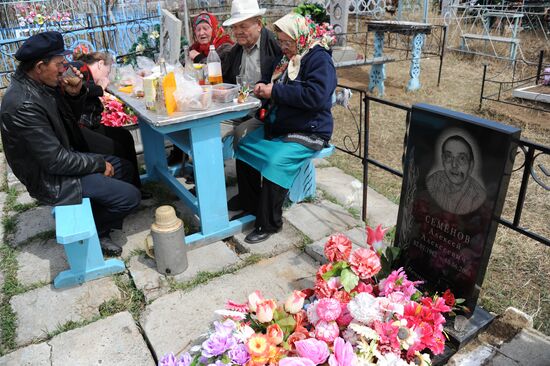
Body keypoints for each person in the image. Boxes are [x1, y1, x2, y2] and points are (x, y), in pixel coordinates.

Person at [0, 32, 140, 256]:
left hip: (62, 160)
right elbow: (54, 161)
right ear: (39, 66)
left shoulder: (42, 85)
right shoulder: (23, 104)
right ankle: (97, 229)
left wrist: (75, 95)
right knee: (130, 197)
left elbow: (68, 126)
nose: (64, 67)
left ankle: (99, 216)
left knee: (124, 167)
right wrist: (96, 163)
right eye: (59, 63)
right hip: (50, 178)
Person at [232, 13, 337, 244]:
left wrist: (275, 92)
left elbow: (316, 97)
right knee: (244, 144)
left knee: (275, 161)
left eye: (287, 42)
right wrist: (263, 88)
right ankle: (250, 203)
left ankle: (269, 223)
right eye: (280, 41)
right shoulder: (286, 58)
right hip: (283, 125)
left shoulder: (318, 59)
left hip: (310, 130)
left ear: (300, 37)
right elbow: (275, 84)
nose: (283, 46)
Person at [71, 49, 146, 196]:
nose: (107, 75)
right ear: (100, 64)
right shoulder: (79, 68)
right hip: (78, 129)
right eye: (107, 70)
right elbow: (79, 88)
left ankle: (136, 187)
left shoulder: (89, 74)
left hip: (90, 125)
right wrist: (100, 88)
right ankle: (123, 191)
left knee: (125, 137)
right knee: (115, 147)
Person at [220, 0, 283, 147]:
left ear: (259, 25)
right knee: (208, 130)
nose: (237, 31)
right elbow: (227, 82)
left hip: (263, 113)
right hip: (238, 110)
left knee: (241, 135)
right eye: (234, 27)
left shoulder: (275, 47)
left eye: (243, 26)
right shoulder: (236, 51)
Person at [426, 135, 487, 215]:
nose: (454, 165)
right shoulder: (433, 180)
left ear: (471, 165)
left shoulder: (478, 197)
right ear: (443, 160)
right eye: (448, 156)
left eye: (462, 158)